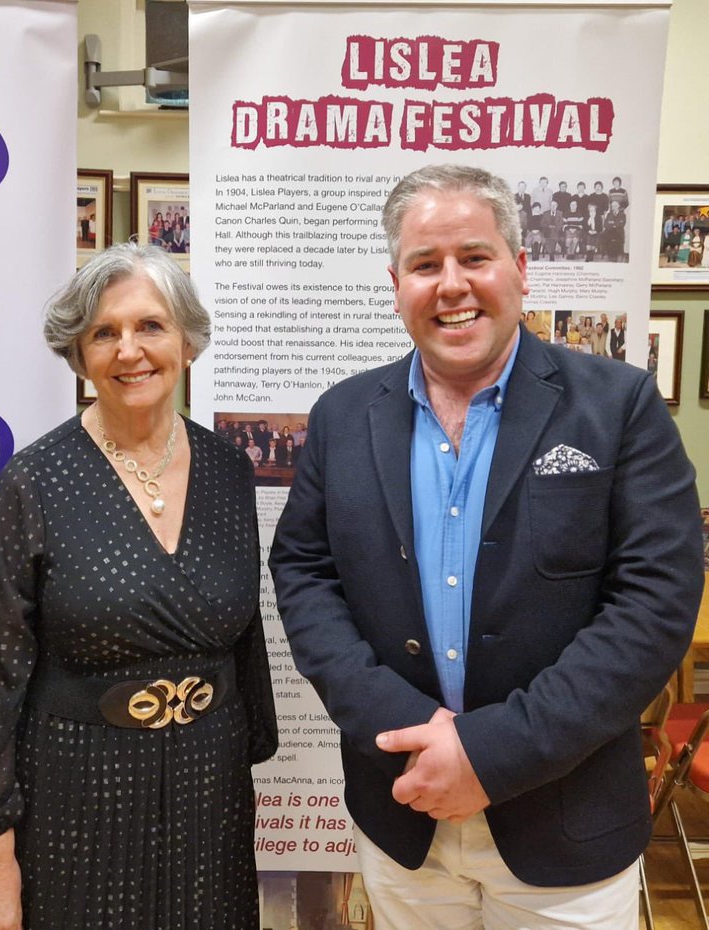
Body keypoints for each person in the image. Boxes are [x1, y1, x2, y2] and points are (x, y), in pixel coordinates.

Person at [269, 164, 703, 930]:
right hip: (402, 808)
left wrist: (488, 754)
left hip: (564, 826)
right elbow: (305, 574)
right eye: (425, 265)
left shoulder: (618, 406)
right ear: (394, 281)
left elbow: (654, 604)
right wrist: (406, 730)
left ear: (520, 267)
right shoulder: (341, 417)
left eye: (474, 257)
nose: (452, 285)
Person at [0, 242, 278, 930]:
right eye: (104, 333)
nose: (129, 351)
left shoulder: (229, 469)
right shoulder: (37, 481)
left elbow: (244, 640)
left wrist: (247, 746)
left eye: (150, 326)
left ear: (186, 342)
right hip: (75, 791)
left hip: (210, 788)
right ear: (78, 354)